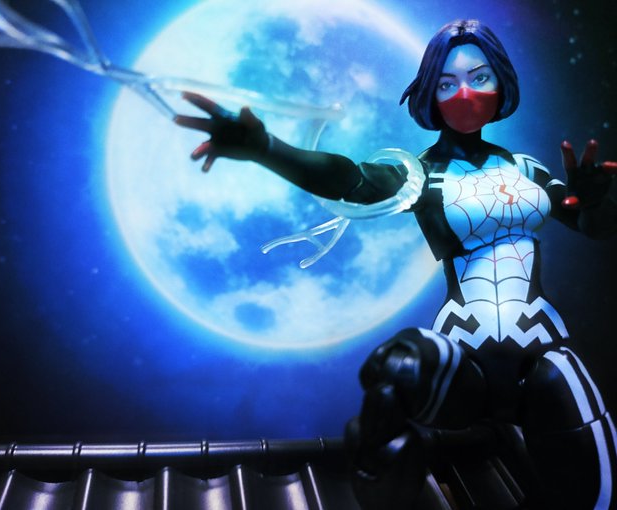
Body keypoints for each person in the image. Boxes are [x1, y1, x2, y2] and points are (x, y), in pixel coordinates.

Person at [175, 19, 617, 510]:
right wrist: (267, 148)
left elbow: (592, 223)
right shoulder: (420, 176)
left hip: (541, 349)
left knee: (585, 450)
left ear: (501, 81)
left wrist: (596, 201)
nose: (465, 93)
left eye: (479, 77)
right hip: (465, 354)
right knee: (396, 373)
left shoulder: (527, 168)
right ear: (430, 93)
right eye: (447, 83)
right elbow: (352, 180)